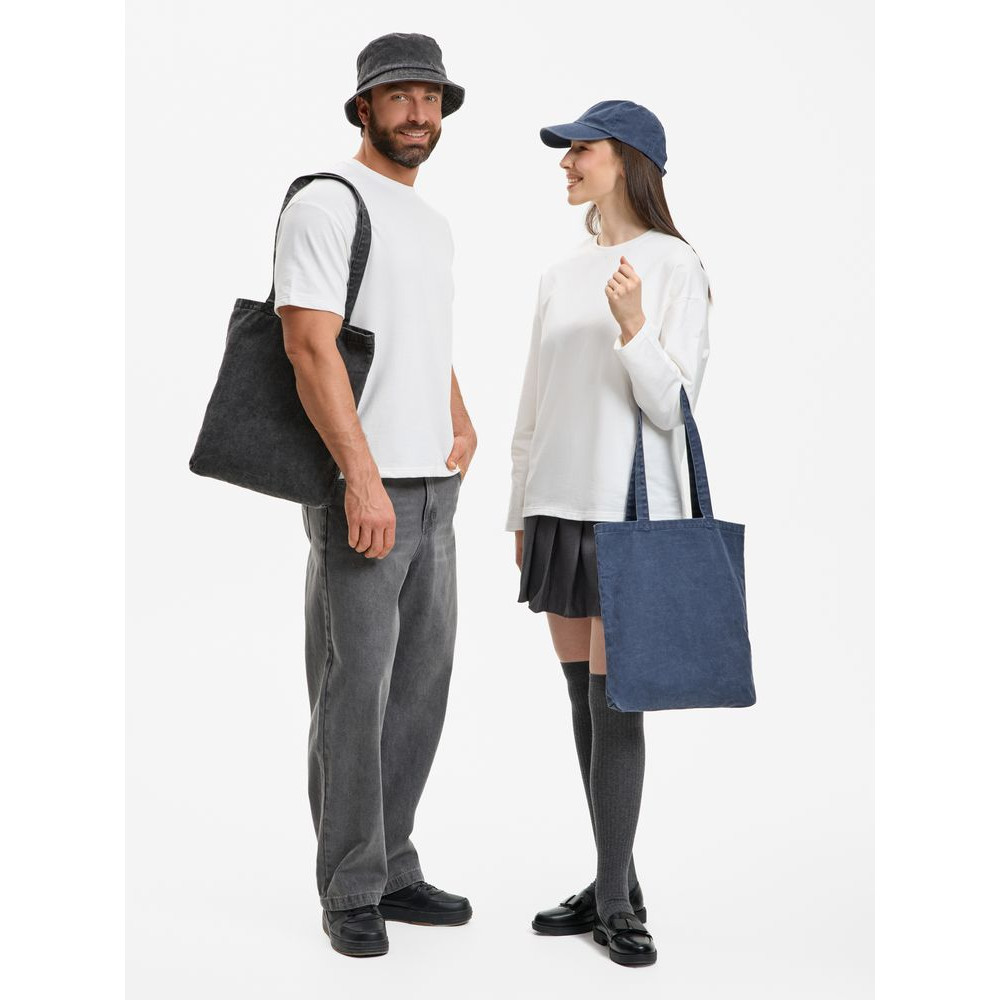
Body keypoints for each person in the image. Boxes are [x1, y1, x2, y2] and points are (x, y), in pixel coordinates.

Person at [273, 32, 477, 959]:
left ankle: (393, 867)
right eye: (399, 97)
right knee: (355, 691)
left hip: (435, 485)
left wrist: (456, 414)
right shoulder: (328, 201)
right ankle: (350, 886)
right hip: (366, 484)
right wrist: (360, 477)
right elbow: (308, 344)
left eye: (431, 99)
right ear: (364, 108)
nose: (418, 114)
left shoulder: (428, 221)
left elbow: (419, 334)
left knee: (420, 688)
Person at [506, 100, 712, 968]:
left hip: (627, 513)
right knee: (579, 701)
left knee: (613, 703)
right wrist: (520, 509)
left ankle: (618, 903)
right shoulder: (561, 274)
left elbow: (672, 405)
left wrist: (633, 326)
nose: (565, 163)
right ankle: (610, 881)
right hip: (557, 508)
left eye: (579, 149)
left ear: (624, 159)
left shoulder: (675, 264)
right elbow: (534, 403)